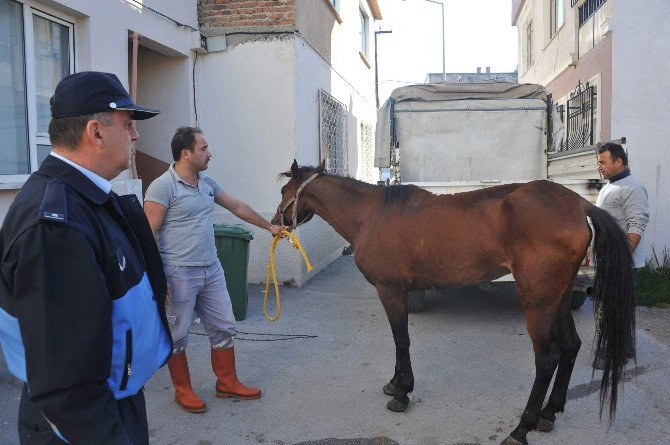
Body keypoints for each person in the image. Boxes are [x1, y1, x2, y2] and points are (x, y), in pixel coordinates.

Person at [0, 72, 172, 444]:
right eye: (128, 125)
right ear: (95, 132)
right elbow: (66, 384)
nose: (136, 136)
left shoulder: (88, 197)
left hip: (114, 398)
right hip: (81, 424)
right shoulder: (55, 226)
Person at [144, 126, 284, 413]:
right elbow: (148, 235)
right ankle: (183, 390)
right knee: (177, 334)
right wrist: (159, 278)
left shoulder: (206, 183)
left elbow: (236, 206)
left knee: (224, 326)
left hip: (211, 269)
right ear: (186, 153)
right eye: (204, 148)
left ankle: (227, 382)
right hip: (178, 272)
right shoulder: (163, 186)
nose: (210, 153)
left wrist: (269, 226)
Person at [591, 141, 650, 369]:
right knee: (616, 304)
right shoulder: (610, 186)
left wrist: (623, 258)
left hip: (621, 261)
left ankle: (613, 353)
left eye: (603, 162)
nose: (599, 166)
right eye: (598, 162)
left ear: (619, 161)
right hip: (607, 259)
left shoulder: (632, 187)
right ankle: (625, 347)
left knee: (613, 306)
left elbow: (637, 223)